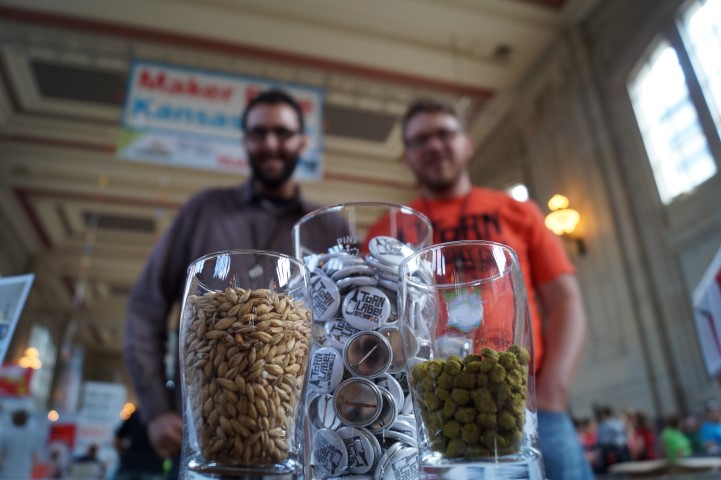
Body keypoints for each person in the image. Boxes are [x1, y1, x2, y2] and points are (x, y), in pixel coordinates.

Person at [125, 89, 323, 478]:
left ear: (302, 141)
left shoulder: (325, 226)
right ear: (245, 141)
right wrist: (156, 408)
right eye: (258, 133)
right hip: (207, 443)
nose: (270, 144)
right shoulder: (204, 210)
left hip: (298, 452)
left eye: (283, 133)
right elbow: (146, 306)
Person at [399, 97, 592, 480]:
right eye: (419, 140)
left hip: (527, 402)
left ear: (467, 143)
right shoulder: (392, 228)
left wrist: (551, 394)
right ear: (406, 156)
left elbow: (566, 301)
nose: (434, 145)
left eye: (444, 134)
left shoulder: (517, 210)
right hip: (438, 411)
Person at [114, 410, 165, 480]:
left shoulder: (136, 414)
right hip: (153, 468)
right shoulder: (164, 416)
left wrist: (123, 455)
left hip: (130, 466)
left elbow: (117, 440)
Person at [0, 409, 39, 480]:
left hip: (7, 474)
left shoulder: (6, 434)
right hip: (24, 474)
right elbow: (35, 457)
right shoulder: (31, 435)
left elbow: (1, 455)